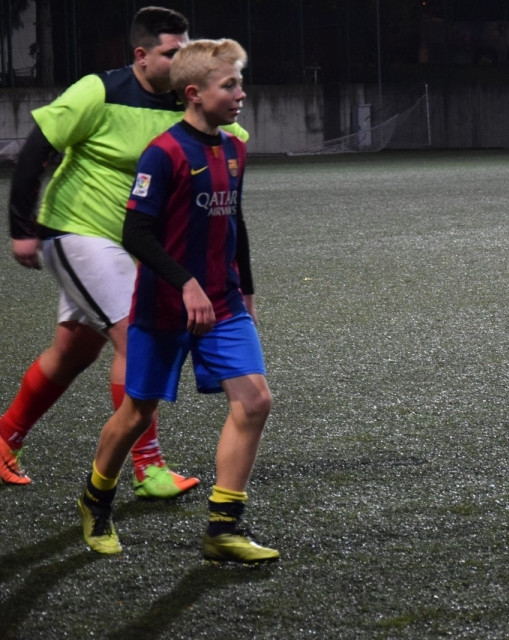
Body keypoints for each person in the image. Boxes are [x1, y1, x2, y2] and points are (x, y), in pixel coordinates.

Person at [2, 7, 246, 497]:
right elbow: (36, 151)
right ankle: (147, 467)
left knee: (73, 352)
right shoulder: (100, 90)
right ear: (141, 55)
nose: (182, 60)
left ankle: (5, 437)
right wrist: (21, 229)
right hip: (78, 230)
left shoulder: (187, 103)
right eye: (171, 52)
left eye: (187, 50)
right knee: (135, 337)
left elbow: (223, 154)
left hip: (136, 246)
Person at [78, 38, 279, 564]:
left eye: (240, 82)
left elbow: (234, 223)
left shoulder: (234, 148)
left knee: (254, 402)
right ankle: (96, 500)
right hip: (165, 307)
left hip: (224, 303)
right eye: (229, 85)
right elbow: (136, 232)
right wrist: (185, 283)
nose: (240, 94)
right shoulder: (163, 153)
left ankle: (222, 529)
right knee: (136, 414)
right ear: (194, 93)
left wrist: (247, 291)